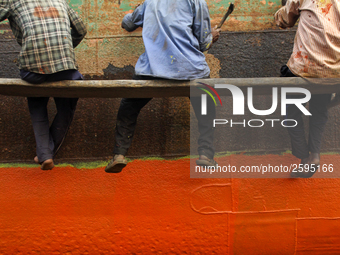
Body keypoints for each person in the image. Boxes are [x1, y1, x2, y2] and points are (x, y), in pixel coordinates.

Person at [105, 0, 221, 173]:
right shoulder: (196, 2)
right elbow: (204, 43)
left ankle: (119, 154)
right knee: (207, 107)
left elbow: (127, 23)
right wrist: (212, 35)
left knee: (128, 106)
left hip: (152, 70)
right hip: (189, 70)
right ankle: (206, 154)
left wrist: (140, 10)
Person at [0, 0, 87, 170]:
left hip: (33, 70)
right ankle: (45, 154)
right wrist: (66, 49)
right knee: (66, 106)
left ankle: (45, 154)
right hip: (66, 68)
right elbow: (81, 29)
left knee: (37, 104)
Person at [275, 0, 340, 177]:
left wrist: (283, 8)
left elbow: (283, 21)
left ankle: (304, 158)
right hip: (332, 71)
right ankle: (315, 157)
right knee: (319, 112)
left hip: (303, 69)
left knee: (290, 113)